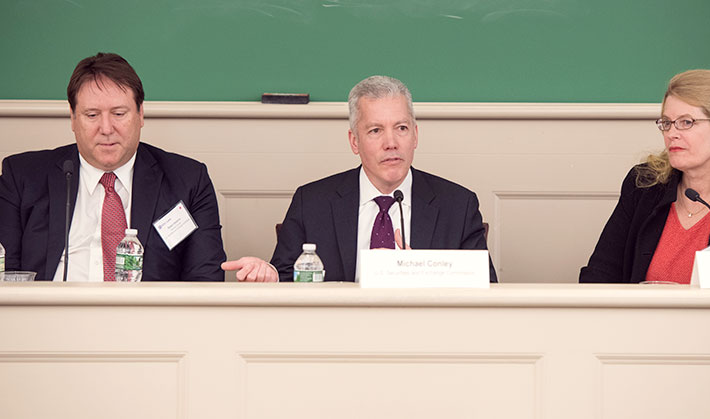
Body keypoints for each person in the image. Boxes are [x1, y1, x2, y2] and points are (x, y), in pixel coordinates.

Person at [225, 75, 496, 283]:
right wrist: (269, 276)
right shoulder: (313, 202)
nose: (391, 143)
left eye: (401, 128)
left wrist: (423, 274)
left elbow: (486, 288)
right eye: (376, 130)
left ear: (415, 135)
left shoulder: (458, 205)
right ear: (354, 141)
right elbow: (286, 278)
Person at [0, 52, 227, 281]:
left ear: (140, 114)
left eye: (119, 113)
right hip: (50, 314)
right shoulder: (22, 177)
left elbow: (206, 279)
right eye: (92, 115)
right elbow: (5, 276)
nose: (106, 128)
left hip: (148, 315)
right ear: (72, 118)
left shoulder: (188, 181)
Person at [580, 69, 710, 284]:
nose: (672, 133)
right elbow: (600, 274)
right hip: (640, 318)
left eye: (686, 122)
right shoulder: (644, 184)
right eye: (666, 122)